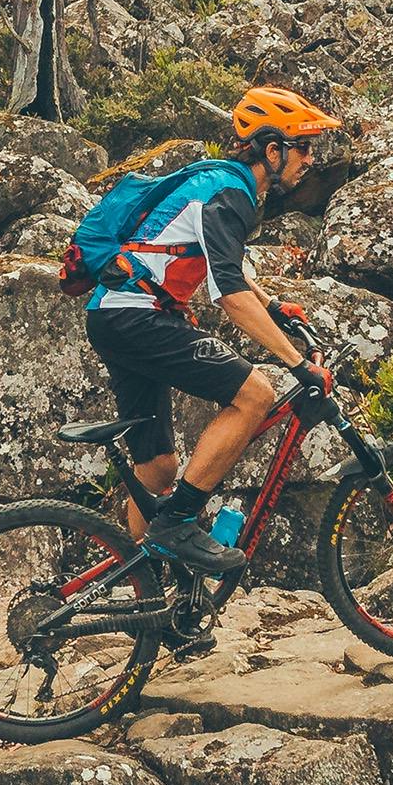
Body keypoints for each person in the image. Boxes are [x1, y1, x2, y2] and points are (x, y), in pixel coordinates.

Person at [83, 86, 344, 576]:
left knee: (158, 469)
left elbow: (220, 263)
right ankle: (178, 522)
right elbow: (227, 293)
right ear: (273, 150)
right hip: (135, 316)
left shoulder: (221, 184)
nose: (310, 159)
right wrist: (296, 362)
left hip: (114, 315)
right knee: (255, 394)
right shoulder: (231, 193)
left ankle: (144, 589)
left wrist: (274, 305)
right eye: (304, 147)